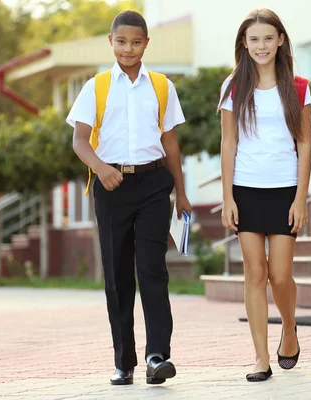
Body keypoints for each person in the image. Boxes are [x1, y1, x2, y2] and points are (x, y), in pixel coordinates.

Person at [67, 10, 192, 385]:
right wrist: (102, 168)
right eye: (121, 42)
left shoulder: (162, 86)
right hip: (112, 188)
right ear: (111, 42)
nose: (128, 48)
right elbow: (78, 140)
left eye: (136, 42)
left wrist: (182, 193)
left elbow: (170, 142)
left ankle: (157, 356)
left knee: (152, 269)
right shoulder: (97, 86)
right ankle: (125, 361)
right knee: (118, 276)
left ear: (146, 44)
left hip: (154, 184)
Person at [218, 8, 311, 382]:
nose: (261, 46)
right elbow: (229, 143)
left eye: (268, 38)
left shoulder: (299, 87)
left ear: (280, 41)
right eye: (254, 39)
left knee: (280, 274)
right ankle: (260, 357)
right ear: (245, 43)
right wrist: (227, 196)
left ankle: (289, 328)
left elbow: (305, 145)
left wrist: (301, 197)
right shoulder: (233, 87)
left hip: (285, 189)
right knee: (254, 273)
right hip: (246, 189)